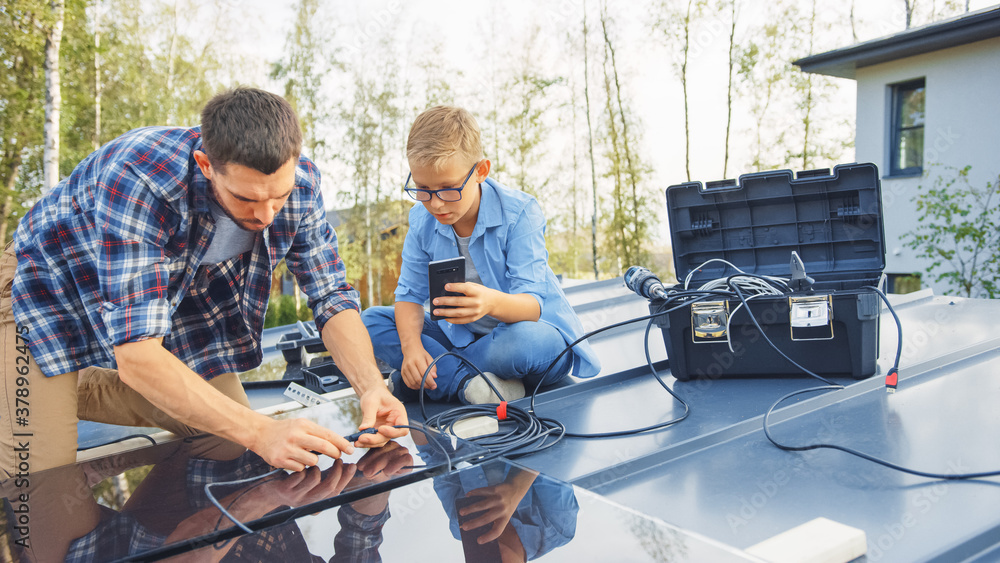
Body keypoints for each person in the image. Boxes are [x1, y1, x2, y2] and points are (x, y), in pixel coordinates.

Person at [0, 87, 407, 481]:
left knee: (225, 439)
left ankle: (73, 387)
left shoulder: (301, 184)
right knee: (41, 491)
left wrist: (371, 388)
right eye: (246, 198)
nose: (266, 214)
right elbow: (139, 352)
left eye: (277, 197)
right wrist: (261, 431)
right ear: (206, 165)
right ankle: (38, 385)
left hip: (176, 297)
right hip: (40, 294)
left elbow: (331, 294)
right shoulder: (139, 176)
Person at [362, 106, 600, 404]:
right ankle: (469, 385)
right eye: (422, 190)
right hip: (461, 335)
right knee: (370, 323)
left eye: (448, 189)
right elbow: (409, 296)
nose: (435, 204)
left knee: (526, 344)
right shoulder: (421, 222)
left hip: (522, 336)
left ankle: (437, 374)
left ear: (481, 171)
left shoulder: (520, 213)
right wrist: (410, 350)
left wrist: (489, 303)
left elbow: (533, 306)